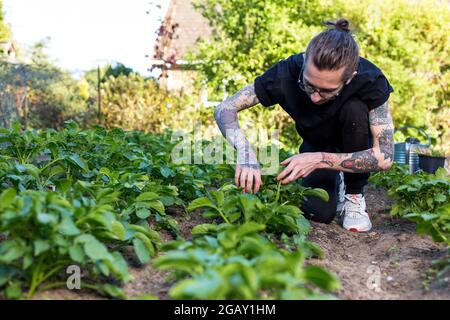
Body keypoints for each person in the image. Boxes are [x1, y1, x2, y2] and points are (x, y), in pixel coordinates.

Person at [213, 19, 394, 232]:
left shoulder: (370, 80)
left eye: (327, 91)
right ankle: (334, 181)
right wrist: (245, 152)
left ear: (349, 78)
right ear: (305, 60)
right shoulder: (286, 72)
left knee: (354, 109)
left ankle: (353, 192)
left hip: (352, 142)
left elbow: (385, 157)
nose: (315, 98)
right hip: (316, 144)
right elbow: (225, 108)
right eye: (308, 85)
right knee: (318, 213)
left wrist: (319, 160)